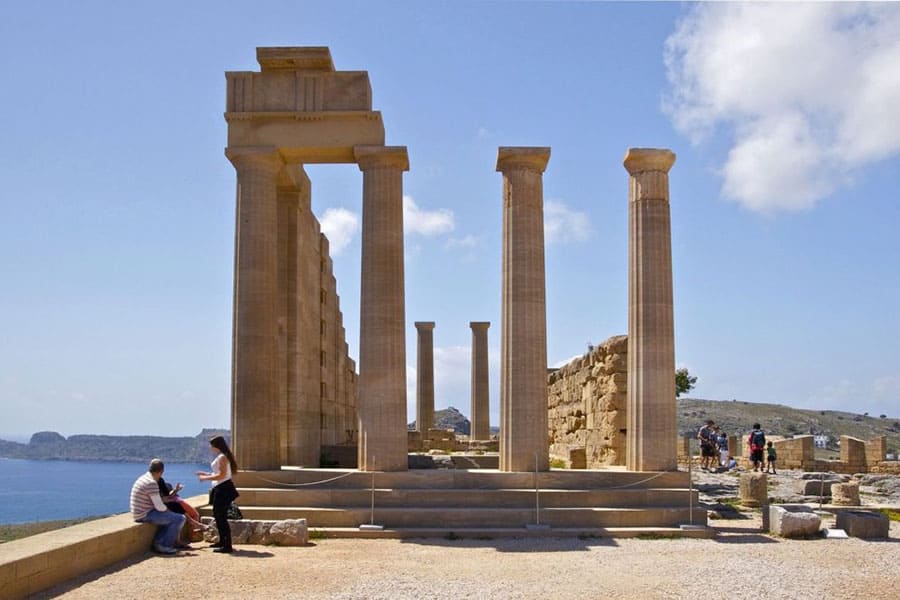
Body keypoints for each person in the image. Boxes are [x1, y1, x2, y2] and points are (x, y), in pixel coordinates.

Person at [130, 458, 186, 555]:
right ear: (161, 471)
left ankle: (159, 542)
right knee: (180, 518)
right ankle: (163, 545)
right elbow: (160, 507)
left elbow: (155, 500)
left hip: (139, 512)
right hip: (145, 514)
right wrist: (169, 512)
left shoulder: (144, 478)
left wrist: (166, 500)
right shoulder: (151, 483)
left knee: (171, 518)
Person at [196, 435, 239, 553]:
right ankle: (222, 541)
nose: (210, 448)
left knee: (221, 517)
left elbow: (221, 475)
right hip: (221, 488)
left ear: (216, 446)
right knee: (218, 515)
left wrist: (205, 478)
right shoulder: (222, 456)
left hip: (223, 489)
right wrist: (206, 473)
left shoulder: (222, 457)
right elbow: (219, 473)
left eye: (211, 445)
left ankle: (227, 545)